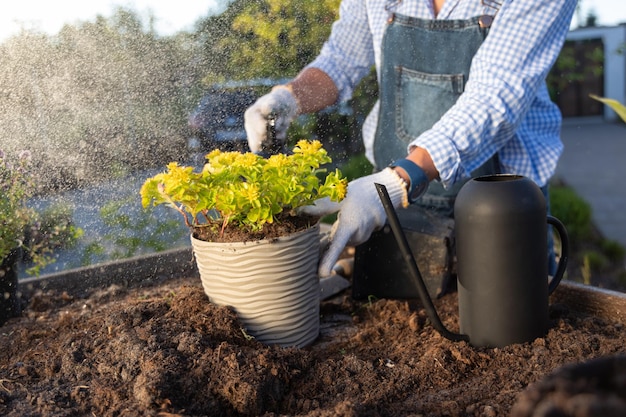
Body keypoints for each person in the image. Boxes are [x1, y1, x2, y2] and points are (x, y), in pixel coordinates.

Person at [244, 0, 577, 277]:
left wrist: (396, 183)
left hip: (500, 204)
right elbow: (341, 60)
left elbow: (497, 94)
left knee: (506, 330)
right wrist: (289, 98)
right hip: (399, 205)